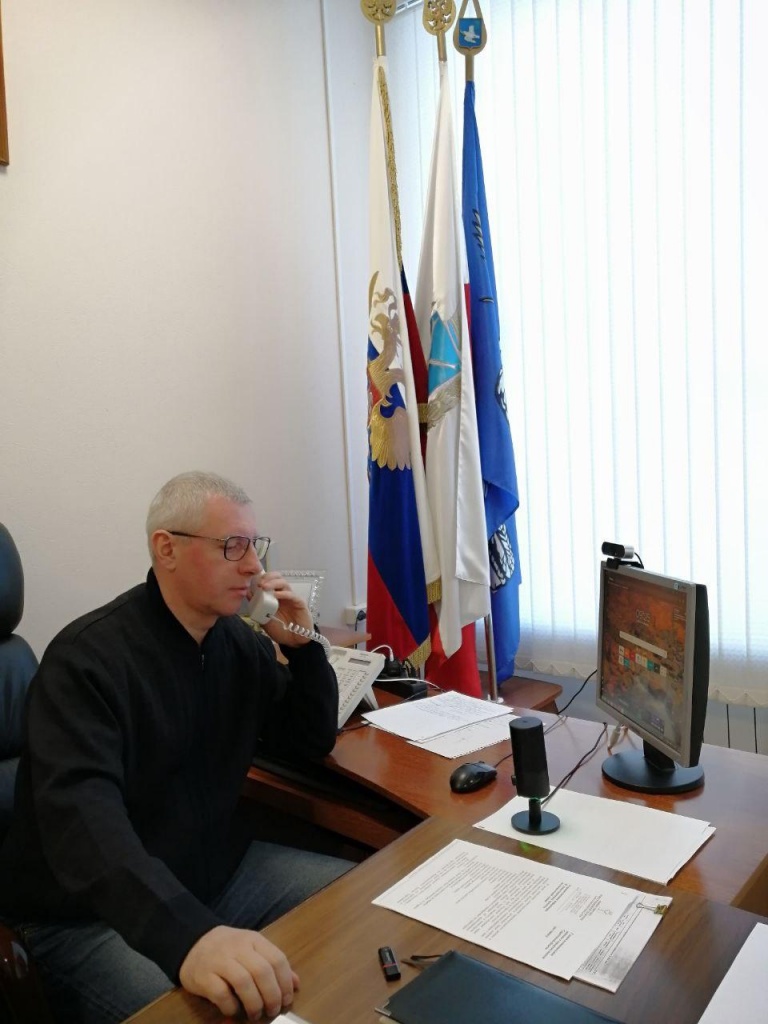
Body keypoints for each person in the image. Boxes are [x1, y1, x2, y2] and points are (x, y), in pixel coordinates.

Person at [0, 471, 352, 1023]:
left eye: (255, 545)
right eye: (232, 546)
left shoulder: (235, 642)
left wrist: (304, 649)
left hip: (211, 878)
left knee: (355, 904)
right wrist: (190, 936)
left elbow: (307, 740)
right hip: (88, 914)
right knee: (213, 1014)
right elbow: (85, 828)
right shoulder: (87, 660)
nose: (254, 566)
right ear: (166, 548)